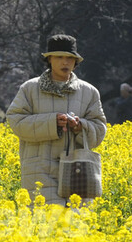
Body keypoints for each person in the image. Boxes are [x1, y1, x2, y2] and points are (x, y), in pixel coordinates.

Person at [6, 34, 107, 206]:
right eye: (59, 57)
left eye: (69, 58)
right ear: (49, 59)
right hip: (39, 170)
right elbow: (16, 121)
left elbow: (99, 130)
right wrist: (52, 122)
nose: (65, 62)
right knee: (47, 224)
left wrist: (79, 126)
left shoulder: (89, 92)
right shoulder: (30, 88)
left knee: (75, 227)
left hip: (77, 170)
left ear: (76, 62)